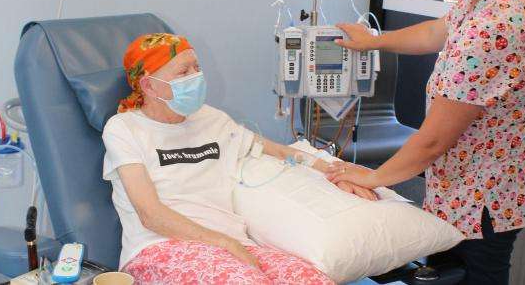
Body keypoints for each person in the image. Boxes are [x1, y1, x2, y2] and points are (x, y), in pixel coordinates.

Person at [326, 0, 525, 284]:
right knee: (444, 272)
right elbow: (438, 31)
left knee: (474, 276)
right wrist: (373, 41)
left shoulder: (496, 28)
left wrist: (370, 177)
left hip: (485, 194)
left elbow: (432, 141)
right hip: (467, 182)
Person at [102, 33, 376, 285]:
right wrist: (224, 244)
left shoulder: (212, 120)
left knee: (312, 280)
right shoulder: (124, 128)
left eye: (196, 67)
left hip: (235, 244)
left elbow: (280, 151)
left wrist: (335, 172)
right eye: (183, 72)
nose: (195, 77)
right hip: (159, 248)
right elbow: (151, 215)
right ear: (149, 85)